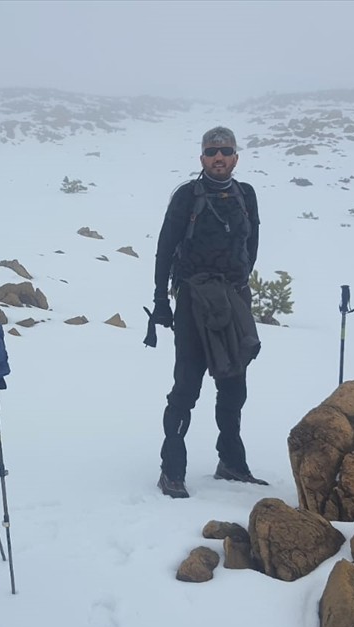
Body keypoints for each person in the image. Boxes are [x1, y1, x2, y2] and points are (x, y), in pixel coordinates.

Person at [150, 126, 266, 498]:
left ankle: (231, 461)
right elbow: (165, 248)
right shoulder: (187, 197)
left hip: (232, 298)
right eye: (212, 151)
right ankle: (172, 470)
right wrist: (160, 301)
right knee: (186, 384)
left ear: (236, 157)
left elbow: (252, 246)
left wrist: (236, 290)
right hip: (192, 301)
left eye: (226, 150)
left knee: (234, 385)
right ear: (202, 158)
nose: (219, 157)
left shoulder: (246, 195)